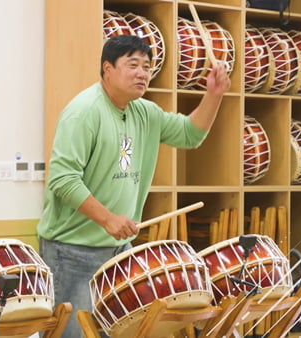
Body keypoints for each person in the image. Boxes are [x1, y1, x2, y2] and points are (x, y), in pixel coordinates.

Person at [37, 35, 230, 337]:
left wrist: (214, 95)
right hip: (71, 252)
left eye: (147, 66)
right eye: (133, 65)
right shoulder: (84, 112)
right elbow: (63, 179)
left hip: (118, 251)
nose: (143, 72)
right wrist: (108, 218)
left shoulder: (146, 112)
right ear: (107, 69)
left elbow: (190, 135)